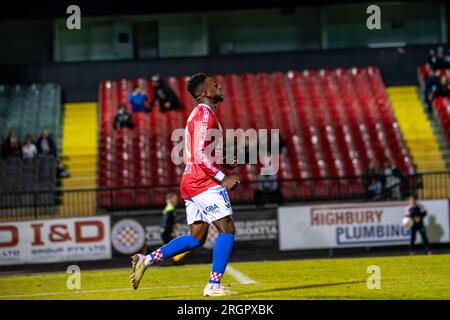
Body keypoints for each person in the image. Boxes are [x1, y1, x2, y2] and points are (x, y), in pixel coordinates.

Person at [130, 73, 240, 297]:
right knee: (226, 228)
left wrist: (223, 161)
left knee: (196, 237)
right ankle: (213, 285)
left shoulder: (203, 114)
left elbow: (199, 151)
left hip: (192, 180)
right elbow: (199, 154)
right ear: (204, 93)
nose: (218, 85)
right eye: (213, 84)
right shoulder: (204, 114)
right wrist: (223, 177)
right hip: (203, 181)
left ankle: (147, 259)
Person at [155, 193, 188, 265]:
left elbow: (167, 221)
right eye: (175, 199)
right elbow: (166, 222)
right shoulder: (170, 209)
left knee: (170, 247)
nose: (176, 201)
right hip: (166, 231)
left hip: (165, 231)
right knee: (173, 247)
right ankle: (170, 262)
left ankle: (173, 261)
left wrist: (174, 225)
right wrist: (170, 232)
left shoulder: (169, 208)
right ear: (170, 200)